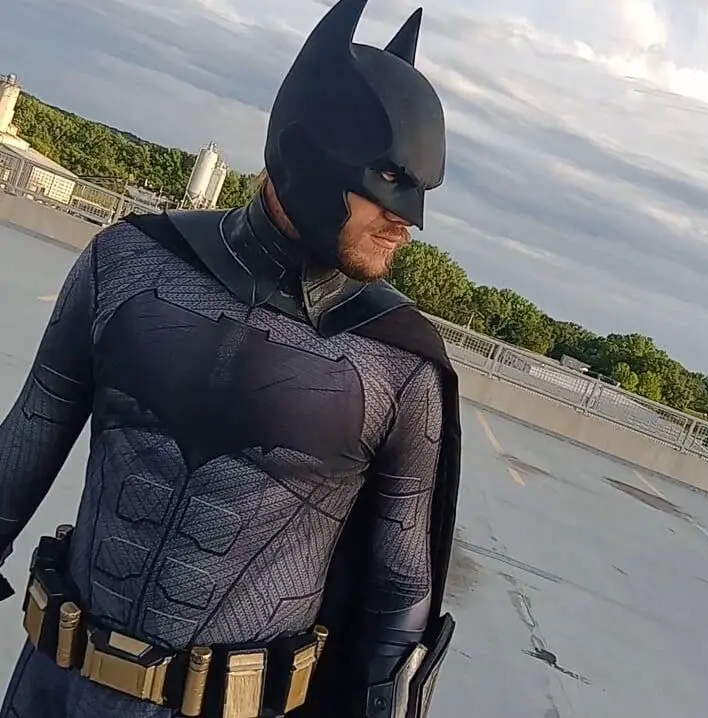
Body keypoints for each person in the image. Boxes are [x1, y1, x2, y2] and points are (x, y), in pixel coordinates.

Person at [0, 0, 462, 716]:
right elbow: (22, 448)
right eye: (388, 182)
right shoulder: (128, 263)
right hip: (49, 691)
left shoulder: (399, 361)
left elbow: (399, 598)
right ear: (308, 154)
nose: (408, 221)